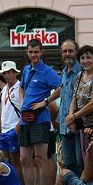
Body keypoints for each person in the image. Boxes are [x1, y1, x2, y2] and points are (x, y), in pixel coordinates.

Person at [33, 39, 82, 176]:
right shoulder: (64, 73)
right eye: (64, 51)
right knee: (68, 164)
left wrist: (73, 118)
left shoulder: (82, 72)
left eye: (70, 51)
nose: (67, 54)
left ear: (76, 52)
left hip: (79, 124)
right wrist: (46, 101)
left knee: (81, 163)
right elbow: (61, 90)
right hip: (64, 126)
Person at [19, 39, 60, 185]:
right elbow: (22, 86)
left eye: (36, 52)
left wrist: (45, 102)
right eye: (30, 52)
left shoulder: (47, 70)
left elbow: (60, 87)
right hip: (25, 119)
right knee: (24, 159)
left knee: (41, 158)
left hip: (40, 119)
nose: (33, 54)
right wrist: (23, 101)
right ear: (27, 52)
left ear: (41, 52)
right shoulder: (27, 69)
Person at [65, 44, 93, 169]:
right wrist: (70, 116)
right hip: (84, 126)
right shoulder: (79, 76)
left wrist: (74, 116)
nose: (85, 61)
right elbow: (74, 98)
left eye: (89, 57)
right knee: (86, 160)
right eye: (82, 58)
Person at [0, 61, 24, 185]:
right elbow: (2, 111)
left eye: (9, 72)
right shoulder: (4, 89)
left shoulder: (20, 86)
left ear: (14, 73)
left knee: (16, 159)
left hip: (14, 128)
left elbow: (23, 107)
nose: (7, 75)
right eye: (5, 73)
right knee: (4, 160)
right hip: (4, 130)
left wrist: (19, 124)